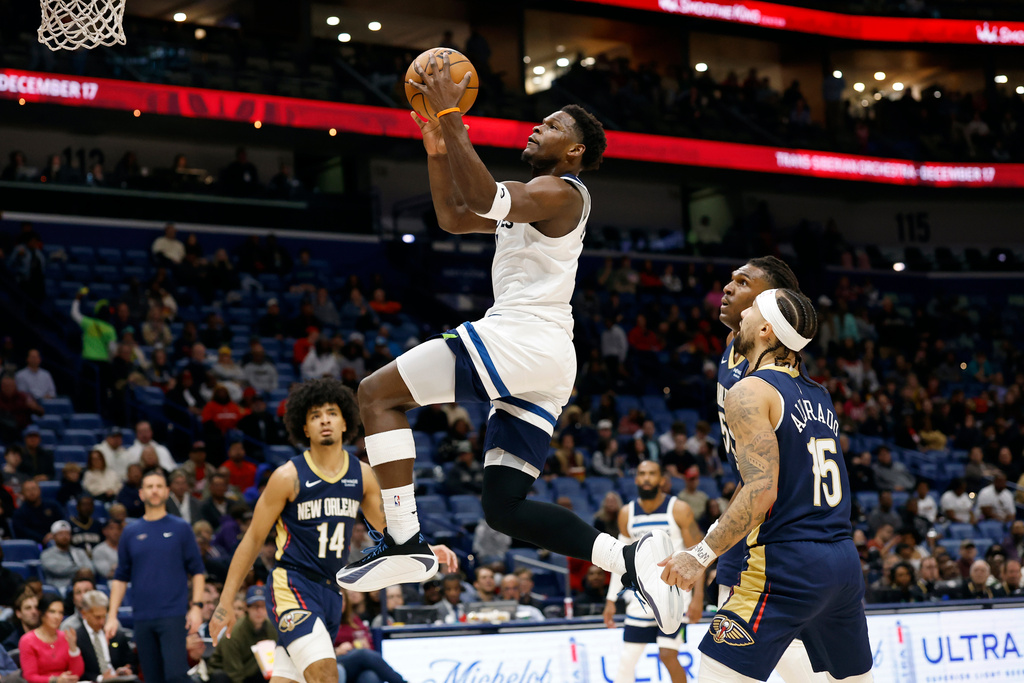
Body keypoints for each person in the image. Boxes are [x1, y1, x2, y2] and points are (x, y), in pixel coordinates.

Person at [338, 57, 680, 634]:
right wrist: (437, 148)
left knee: (376, 395)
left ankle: (403, 539)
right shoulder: (533, 198)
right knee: (504, 508)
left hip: (523, 337)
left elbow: (485, 194)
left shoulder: (563, 192)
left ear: (574, 150)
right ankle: (625, 559)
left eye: (549, 125)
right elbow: (453, 214)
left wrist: (451, 115)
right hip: (544, 356)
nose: (535, 128)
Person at [660, 288, 873, 682]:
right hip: (843, 562)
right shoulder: (820, 394)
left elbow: (762, 490)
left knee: (714, 674)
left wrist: (699, 556)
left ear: (766, 330)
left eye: (751, 310)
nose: (741, 315)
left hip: (787, 564)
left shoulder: (751, 391)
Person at [207, 378, 456, 683]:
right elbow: (253, 539)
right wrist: (225, 602)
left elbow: (387, 528)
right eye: (315, 415)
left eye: (331, 412)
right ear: (304, 428)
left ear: (345, 422)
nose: (324, 419)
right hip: (293, 586)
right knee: (326, 675)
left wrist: (426, 549)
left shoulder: (361, 475)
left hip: (332, 592)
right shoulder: (287, 476)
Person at [710, 258, 824, 682]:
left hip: (774, 520)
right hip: (751, 510)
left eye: (743, 283)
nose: (727, 288)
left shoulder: (777, 373)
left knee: (756, 653)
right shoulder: (736, 346)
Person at [602, 460, 704, 683]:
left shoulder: (679, 509)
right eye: (642, 474)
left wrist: (699, 598)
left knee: (667, 655)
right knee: (627, 659)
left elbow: (699, 554)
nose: (646, 478)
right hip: (642, 596)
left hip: (676, 594)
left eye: (652, 474)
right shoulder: (626, 514)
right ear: (636, 479)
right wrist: (611, 599)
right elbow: (619, 561)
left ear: (662, 480)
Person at [104, 469, 207, 683]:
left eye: (159, 486)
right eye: (150, 487)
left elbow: (197, 570)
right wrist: (112, 615)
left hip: (173, 614)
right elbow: (121, 577)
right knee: (151, 678)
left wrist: (196, 607)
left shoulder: (181, 528)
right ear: (141, 493)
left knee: (176, 675)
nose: (154, 491)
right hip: (141, 616)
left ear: (167, 491)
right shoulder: (130, 532)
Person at [208, 586, 276, 683]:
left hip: (252, 671)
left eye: (263, 606)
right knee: (220, 677)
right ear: (246, 607)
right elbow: (234, 672)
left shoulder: (271, 628)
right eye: (255, 606)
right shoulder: (234, 633)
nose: (259, 611)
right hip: (227, 671)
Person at [19, 593, 84, 683]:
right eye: (52, 612)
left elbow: (76, 673)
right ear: (42, 613)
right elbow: (30, 676)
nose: (57, 617)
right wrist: (55, 680)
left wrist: (73, 647)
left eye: (60, 612)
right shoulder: (27, 640)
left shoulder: (65, 637)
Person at [76, 590, 136, 681]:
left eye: (104, 616)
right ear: (84, 613)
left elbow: (130, 661)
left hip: (120, 680)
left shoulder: (115, 633)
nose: (102, 621)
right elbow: (76, 671)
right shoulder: (76, 638)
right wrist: (100, 678)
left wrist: (127, 669)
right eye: (97, 617)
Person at [40, 521, 92, 592]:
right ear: (54, 537)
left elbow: (91, 568)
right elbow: (59, 570)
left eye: (67, 534)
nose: (64, 536)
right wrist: (80, 570)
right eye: (61, 534)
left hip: (81, 587)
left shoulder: (79, 552)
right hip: (59, 588)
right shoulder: (46, 554)